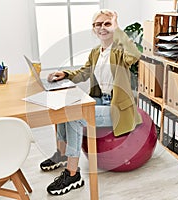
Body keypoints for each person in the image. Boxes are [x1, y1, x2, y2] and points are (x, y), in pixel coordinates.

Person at [41, 9, 143, 195]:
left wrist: (118, 29)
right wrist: (65, 74)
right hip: (99, 101)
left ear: (114, 26)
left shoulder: (121, 51)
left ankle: (73, 174)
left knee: (75, 115)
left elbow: (135, 55)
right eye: (98, 24)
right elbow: (84, 72)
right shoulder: (96, 52)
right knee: (65, 108)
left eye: (107, 23)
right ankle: (62, 155)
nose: (102, 28)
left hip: (117, 108)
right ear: (93, 28)